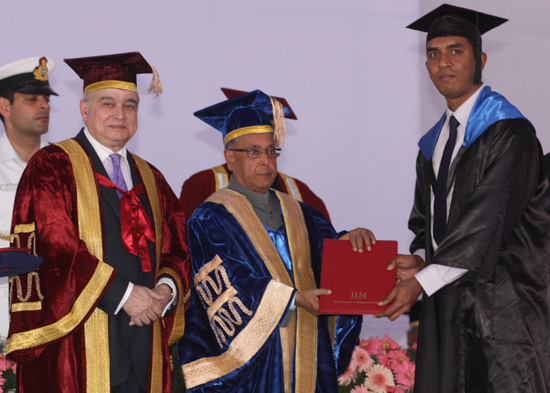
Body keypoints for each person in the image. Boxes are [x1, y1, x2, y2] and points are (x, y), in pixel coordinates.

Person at [377, 4, 550, 392]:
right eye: (433, 54)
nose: (443, 63)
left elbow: (486, 222)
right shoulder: (434, 143)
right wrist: (421, 256)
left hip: (500, 305)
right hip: (446, 303)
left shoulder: (509, 132)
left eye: (456, 50)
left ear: (480, 59)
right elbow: (425, 220)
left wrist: (422, 281)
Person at [6, 52, 191, 393]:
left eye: (130, 105)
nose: (120, 115)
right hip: (76, 347)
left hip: (144, 342)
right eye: (108, 103)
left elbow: (176, 247)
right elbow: (56, 246)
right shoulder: (52, 166)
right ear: (84, 109)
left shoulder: (152, 178)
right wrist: (125, 295)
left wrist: (165, 291)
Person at [178, 90, 375, 393]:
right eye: (254, 152)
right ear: (230, 158)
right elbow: (233, 281)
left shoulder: (301, 211)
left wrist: (352, 241)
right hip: (254, 367)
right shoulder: (210, 218)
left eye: (272, 151)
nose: (267, 162)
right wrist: (294, 299)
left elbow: (330, 253)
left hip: (308, 353)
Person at [180, 88, 331, 221]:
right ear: (230, 155)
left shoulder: (299, 191)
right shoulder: (202, 185)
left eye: (273, 130)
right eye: (254, 150)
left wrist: (348, 238)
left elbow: (327, 245)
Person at [0, 56, 57, 339]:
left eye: (46, 99)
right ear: (4, 106)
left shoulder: (65, 164)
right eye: (32, 99)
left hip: (54, 305)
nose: (44, 105)